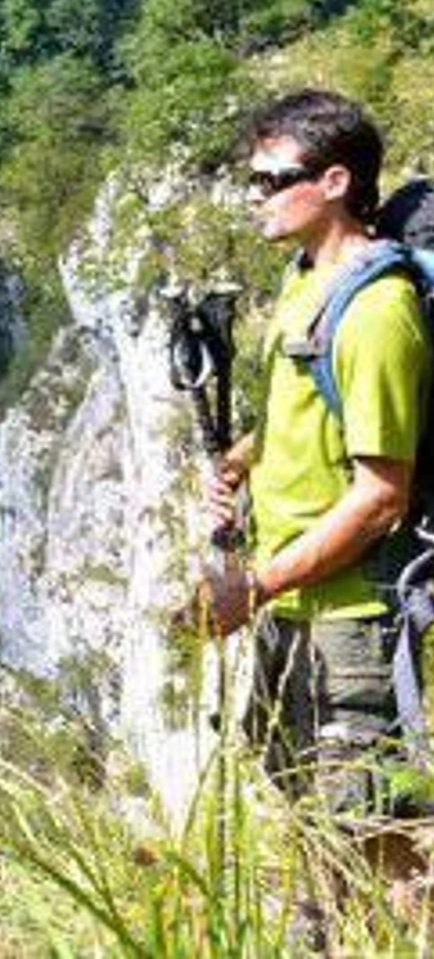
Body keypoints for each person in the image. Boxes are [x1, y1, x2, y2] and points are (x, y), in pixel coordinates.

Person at [194, 89, 430, 876]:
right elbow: (313, 404)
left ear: (334, 182)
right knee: (306, 816)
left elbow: (381, 495)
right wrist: (243, 460)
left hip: (354, 617)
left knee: (369, 836)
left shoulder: (379, 311)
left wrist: (253, 587)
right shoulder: (306, 280)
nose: (254, 196)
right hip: (294, 605)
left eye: (272, 179)